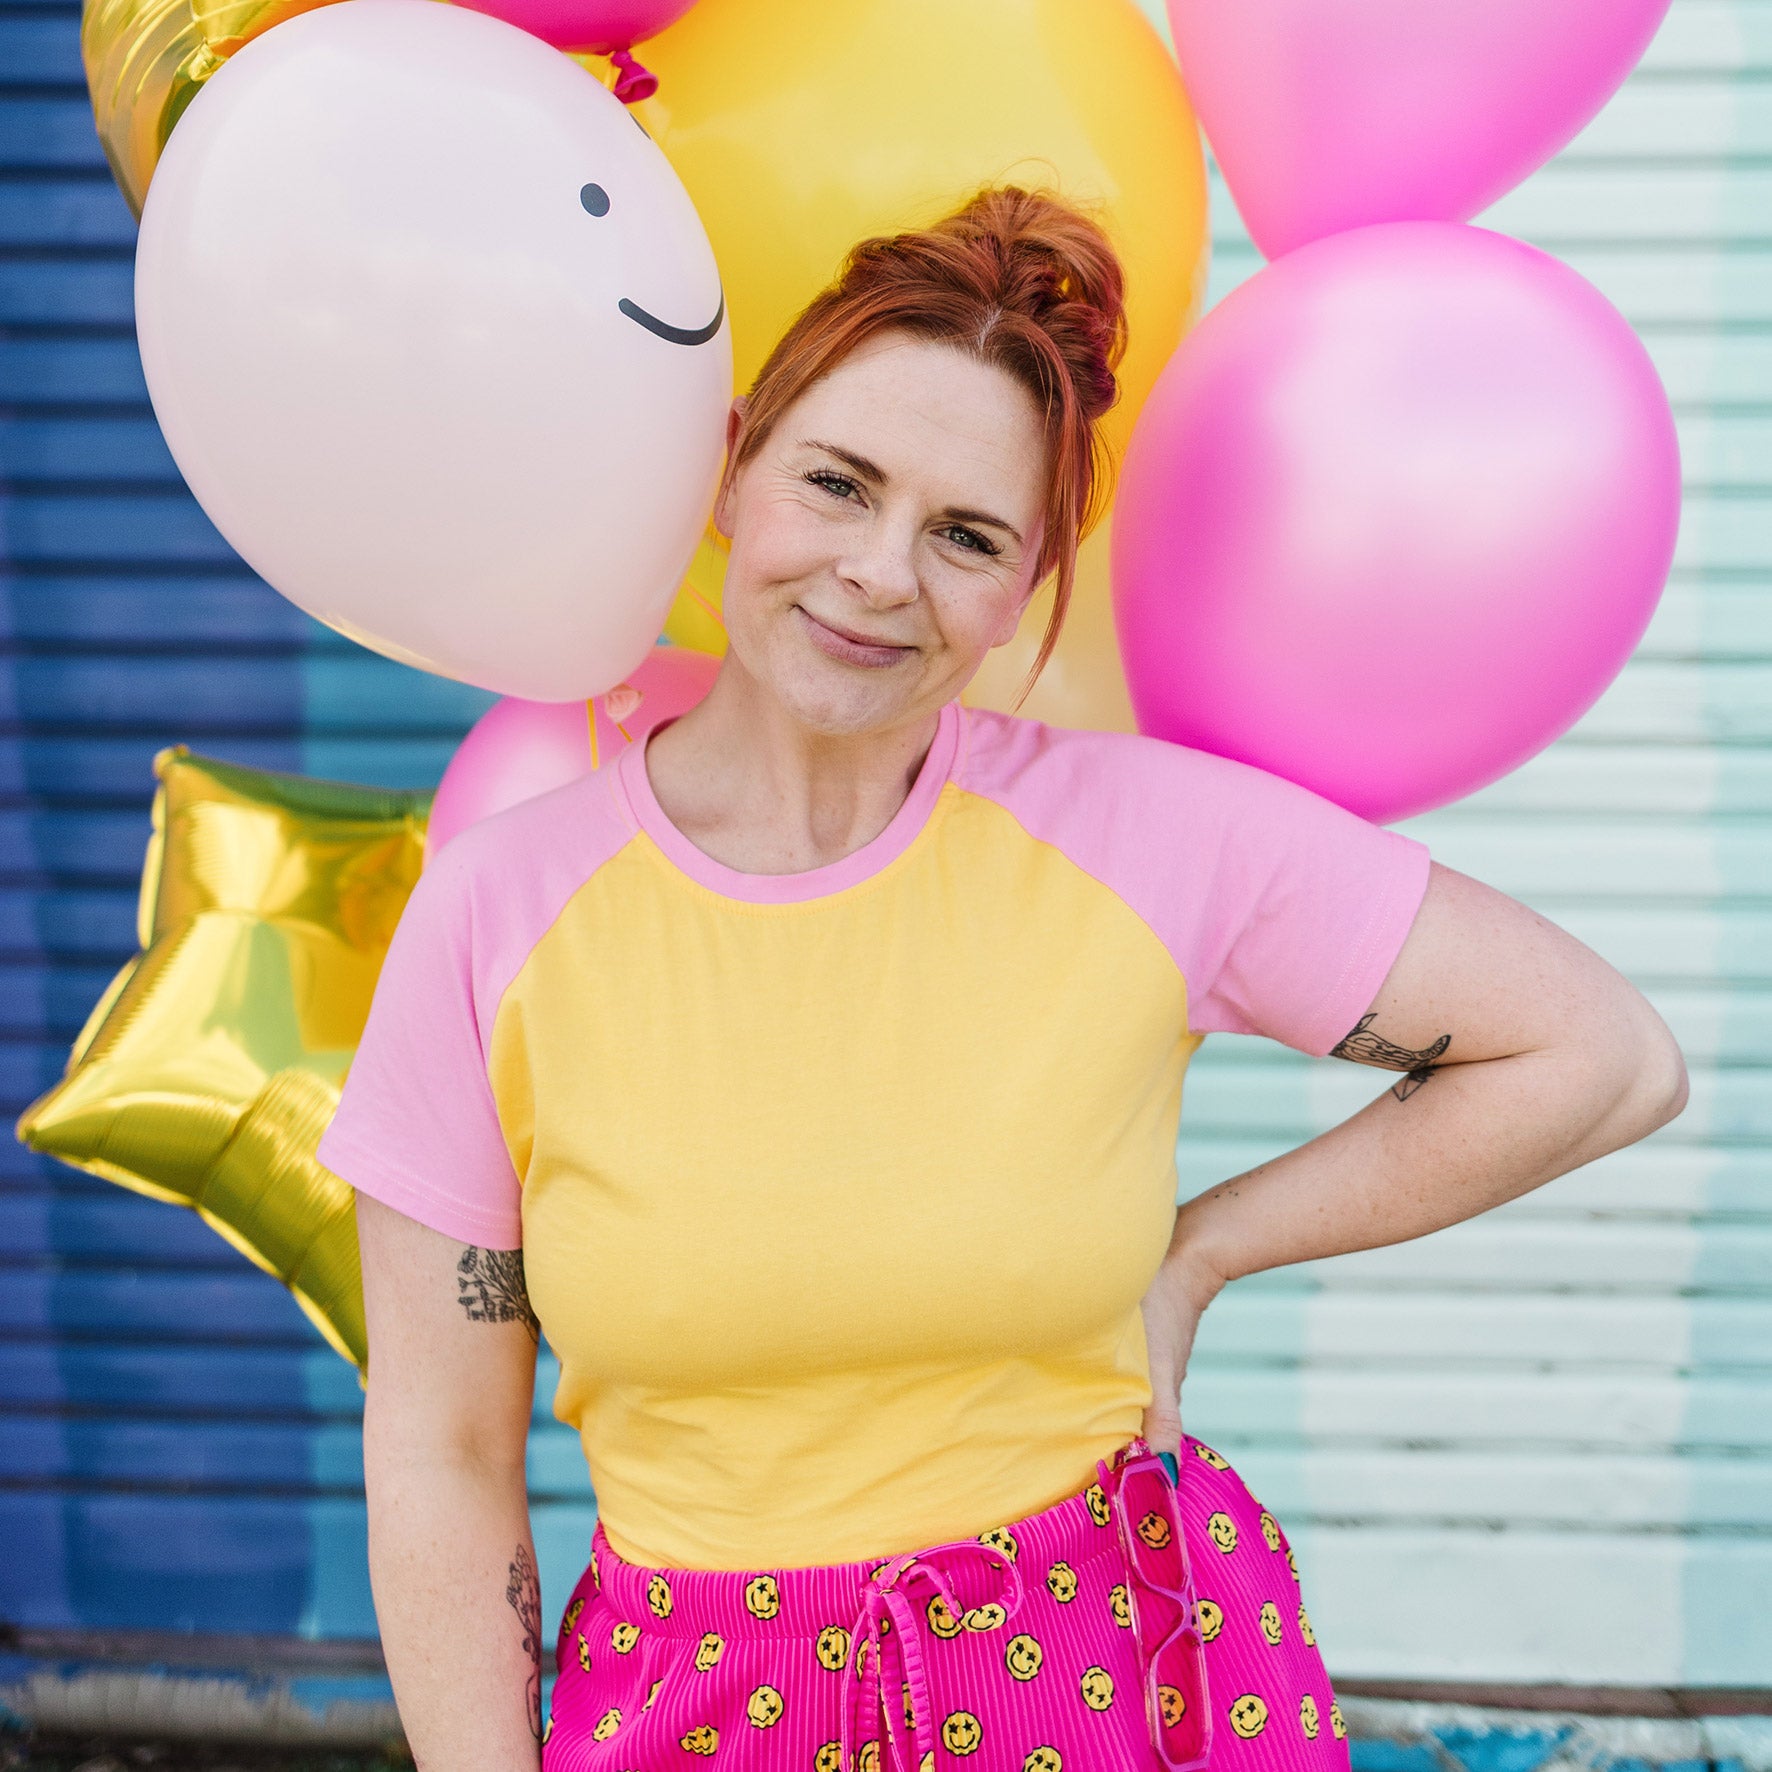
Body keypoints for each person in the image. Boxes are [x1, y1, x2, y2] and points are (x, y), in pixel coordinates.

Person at [316, 185, 1689, 1772]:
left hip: (1108, 1689)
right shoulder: (497, 911)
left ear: (1030, 580)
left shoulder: (1144, 841)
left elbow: (1602, 1055)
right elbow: (442, 1449)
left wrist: (1203, 1251)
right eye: (838, 483)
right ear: (734, 470)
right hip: (693, 1717)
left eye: (964, 536)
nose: (878, 573)